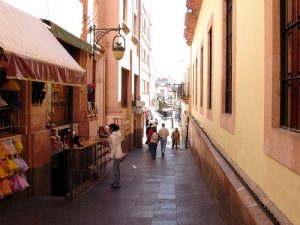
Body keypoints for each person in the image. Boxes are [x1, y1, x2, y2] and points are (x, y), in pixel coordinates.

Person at [107, 123, 123, 189]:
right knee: (117, 169)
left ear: (112, 129)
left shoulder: (113, 136)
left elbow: (114, 147)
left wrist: (110, 156)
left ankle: (117, 184)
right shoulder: (117, 134)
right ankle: (116, 182)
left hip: (116, 154)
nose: (109, 129)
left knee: (114, 170)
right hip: (118, 153)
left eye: (109, 128)